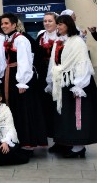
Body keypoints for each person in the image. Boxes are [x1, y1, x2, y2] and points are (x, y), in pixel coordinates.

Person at [47, 14, 97, 158]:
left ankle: (78, 147)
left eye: (60, 24)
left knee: (77, 114)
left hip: (76, 81)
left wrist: (79, 85)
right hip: (62, 82)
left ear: (68, 25)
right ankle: (64, 142)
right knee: (64, 114)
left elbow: (83, 62)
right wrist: (50, 81)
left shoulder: (77, 41)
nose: (58, 27)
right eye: (57, 24)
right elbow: (53, 63)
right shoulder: (58, 41)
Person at [0, 13, 47, 148]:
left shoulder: (21, 39)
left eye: (6, 23)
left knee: (23, 109)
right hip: (10, 75)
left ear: (14, 25)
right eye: (2, 23)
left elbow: (25, 61)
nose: (3, 26)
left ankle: (27, 142)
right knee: (14, 108)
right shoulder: (8, 38)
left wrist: (22, 81)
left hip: (19, 77)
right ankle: (14, 140)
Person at [35, 12, 60, 149]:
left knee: (59, 107)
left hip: (58, 74)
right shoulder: (41, 37)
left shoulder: (61, 36)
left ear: (56, 22)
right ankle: (52, 137)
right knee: (47, 107)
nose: (47, 23)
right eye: (45, 21)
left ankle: (62, 139)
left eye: (50, 21)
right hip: (43, 76)